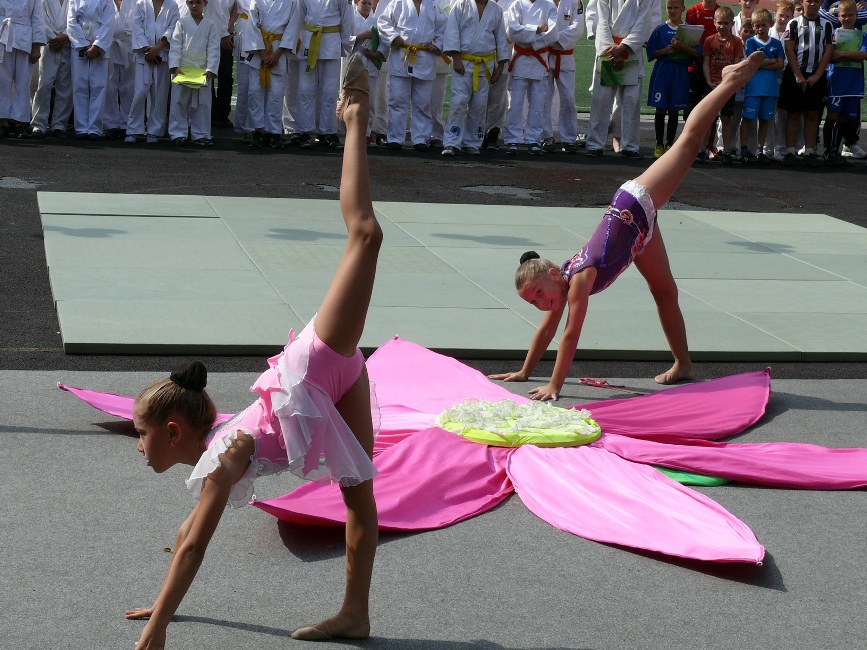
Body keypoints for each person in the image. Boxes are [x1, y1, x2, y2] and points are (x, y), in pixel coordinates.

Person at [124, 53, 380, 648]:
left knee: (365, 234)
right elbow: (187, 530)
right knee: (360, 497)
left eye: (141, 434)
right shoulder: (213, 452)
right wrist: (164, 604)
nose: (137, 446)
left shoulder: (225, 455)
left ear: (171, 430)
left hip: (315, 372)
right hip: (333, 384)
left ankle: (356, 118)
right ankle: (356, 614)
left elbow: (193, 544)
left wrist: (157, 632)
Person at [490, 51, 768, 399]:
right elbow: (547, 332)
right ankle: (684, 364)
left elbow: (570, 336)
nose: (541, 305)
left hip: (634, 203)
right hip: (638, 233)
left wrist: (554, 385)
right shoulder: (559, 288)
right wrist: (525, 372)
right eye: (533, 303)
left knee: (689, 141)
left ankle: (730, 80)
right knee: (664, 292)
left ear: (552, 276)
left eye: (538, 295)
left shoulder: (576, 282)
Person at [583, 0, 654, 158]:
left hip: (631, 52)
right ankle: (595, 144)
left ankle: (630, 145)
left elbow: (643, 24)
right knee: (601, 99)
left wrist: (624, 47)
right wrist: (612, 51)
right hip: (608, 52)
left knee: (631, 100)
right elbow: (601, 22)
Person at [376, 0, 447, 151]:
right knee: (397, 100)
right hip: (402, 54)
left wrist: (438, 45)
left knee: (422, 102)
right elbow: (383, 22)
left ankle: (421, 138)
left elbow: (444, 28)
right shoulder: (398, 3)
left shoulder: (433, 5)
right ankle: (395, 137)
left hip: (424, 56)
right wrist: (394, 37)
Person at [440, 0, 509, 156]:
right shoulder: (461, 5)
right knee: (458, 102)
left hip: (485, 65)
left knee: (479, 105)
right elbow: (452, 32)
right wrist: (456, 58)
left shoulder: (496, 9)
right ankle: (451, 141)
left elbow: (501, 38)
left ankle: (472, 142)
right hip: (463, 62)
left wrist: (500, 66)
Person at [779, 0, 833, 167]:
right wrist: (797, 75)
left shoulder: (827, 24)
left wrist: (817, 75)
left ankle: (809, 151)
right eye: (809, 1)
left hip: (816, 75)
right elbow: (789, 48)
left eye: (817, 1)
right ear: (802, 2)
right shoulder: (794, 23)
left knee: (812, 114)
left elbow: (829, 50)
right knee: (794, 114)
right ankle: (789, 151)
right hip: (795, 74)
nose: (813, 4)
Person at [239, 0, 299, 147]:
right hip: (260, 52)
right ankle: (258, 130)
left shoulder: (291, 2)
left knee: (276, 95)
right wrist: (263, 52)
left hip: (279, 49)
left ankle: (274, 131)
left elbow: (292, 28)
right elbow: (252, 26)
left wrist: (277, 54)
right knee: (255, 93)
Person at [503, 0, 558, 155]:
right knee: (515, 103)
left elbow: (552, 34)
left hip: (539, 58)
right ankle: (512, 139)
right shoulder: (517, 5)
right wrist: (537, 29)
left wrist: (528, 36)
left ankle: (533, 139)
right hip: (520, 58)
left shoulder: (549, 6)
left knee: (537, 103)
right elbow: (512, 31)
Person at [645, 0, 698, 158]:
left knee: (674, 109)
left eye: (676, 7)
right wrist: (666, 50)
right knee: (660, 108)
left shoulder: (689, 30)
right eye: (669, 8)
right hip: (663, 71)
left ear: (683, 8)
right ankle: (659, 144)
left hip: (680, 72)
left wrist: (683, 47)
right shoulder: (660, 29)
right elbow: (651, 53)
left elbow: (698, 54)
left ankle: (670, 144)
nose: (672, 11)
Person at [167, 0, 220, 145]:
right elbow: (176, 45)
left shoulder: (211, 25)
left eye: (198, 2)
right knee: (178, 101)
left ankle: (201, 134)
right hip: (183, 68)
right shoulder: (181, 22)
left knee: (202, 103)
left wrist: (211, 69)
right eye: (191, 2)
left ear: (205, 3)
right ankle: (177, 133)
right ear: (187, 3)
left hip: (202, 70)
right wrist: (175, 65)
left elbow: (214, 48)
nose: (194, 5)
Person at [126, 0, 179, 143]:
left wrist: (158, 48)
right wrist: (147, 49)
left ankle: (154, 131)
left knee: (159, 93)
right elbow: (137, 29)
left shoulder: (172, 5)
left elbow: (173, 28)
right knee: (140, 92)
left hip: (162, 55)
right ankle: (133, 129)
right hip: (144, 55)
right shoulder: (140, 4)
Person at [821, 0, 866, 166]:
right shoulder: (833, 34)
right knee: (833, 115)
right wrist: (852, 53)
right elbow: (830, 56)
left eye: (850, 15)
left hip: (854, 83)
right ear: (838, 16)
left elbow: (864, 55)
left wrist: (841, 54)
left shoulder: (862, 35)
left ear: (856, 15)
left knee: (845, 118)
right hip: (836, 81)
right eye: (843, 15)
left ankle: (836, 150)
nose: (847, 18)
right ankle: (828, 151)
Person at [738, 7, 784, 163]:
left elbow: (780, 64)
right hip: (753, 89)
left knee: (765, 120)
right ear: (753, 26)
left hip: (770, 89)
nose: (760, 28)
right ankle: (744, 149)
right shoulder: (750, 42)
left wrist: (763, 63)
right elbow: (753, 63)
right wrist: (771, 61)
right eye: (757, 25)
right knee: (747, 119)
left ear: (770, 24)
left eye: (763, 25)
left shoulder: (777, 43)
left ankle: (760, 149)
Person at [702, 5, 743, 164]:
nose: (722, 26)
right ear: (714, 22)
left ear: (732, 24)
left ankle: (726, 150)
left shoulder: (736, 42)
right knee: (708, 119)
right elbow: (706, 61)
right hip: (711, 84)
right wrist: (708, 81)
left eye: (726, 23)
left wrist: (727, 82)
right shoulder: (709, 40)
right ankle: (702, 149)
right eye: (720, 23)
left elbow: (736, 64)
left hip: (727, 86)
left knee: (726, 119)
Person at [0, 0, 44, 138]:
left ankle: (20, 122)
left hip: (25, 39)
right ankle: (2, 121)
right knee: (3, 82)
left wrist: (36, 46)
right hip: (2, 36)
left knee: (23, 83)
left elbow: (37, 18)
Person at [30, 0, 73, 138]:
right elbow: (40, 18)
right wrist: (54, 38)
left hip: (68, 44)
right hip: (48, 45)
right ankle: (38, 124)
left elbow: (77, 18)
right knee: (44, 84)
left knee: (65, 87)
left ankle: (60, 125)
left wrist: (65, 36)